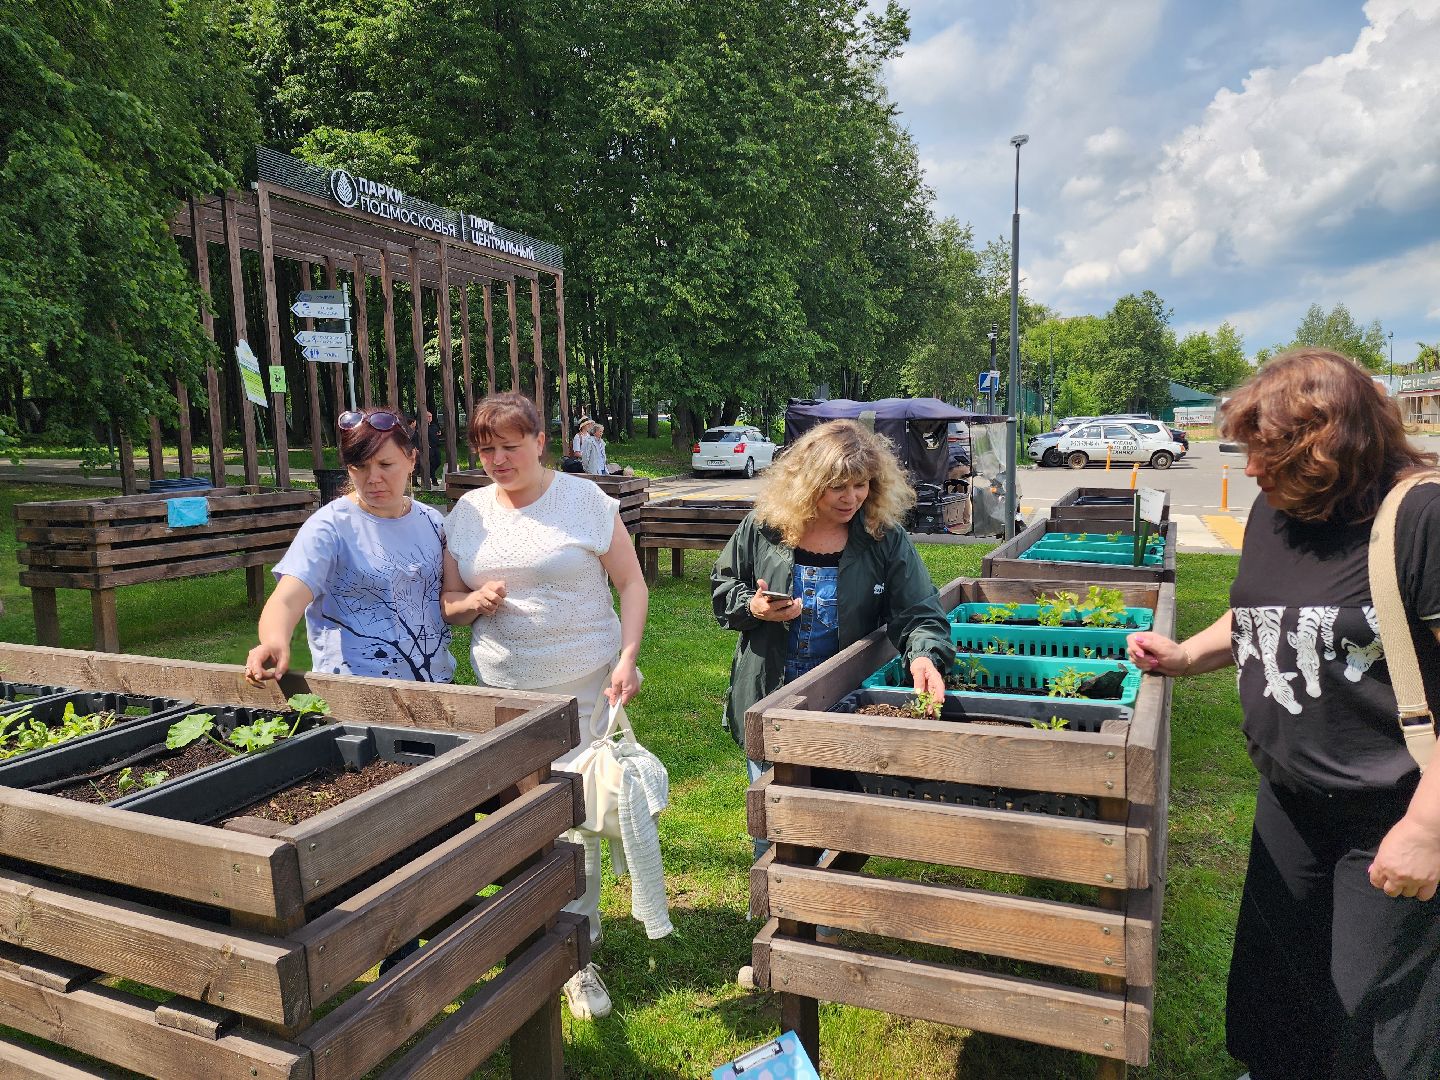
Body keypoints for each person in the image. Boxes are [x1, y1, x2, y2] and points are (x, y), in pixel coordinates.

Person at [1127, 349, 1440, 1080]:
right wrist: (1182, 656)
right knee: (1278, 985)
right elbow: (1255, 617)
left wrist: (1427, 827)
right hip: (1289, 797)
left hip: (1389, 810)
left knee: (1374, 1017)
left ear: (1327, 447)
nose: (1252, 471)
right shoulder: (1277, 509)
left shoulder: (1419, 515)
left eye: (1267, 455)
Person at [442, 391, 649, 1022]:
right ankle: (535, 927)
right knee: (523, 819)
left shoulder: (585, 502)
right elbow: (448, 600)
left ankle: (577, 954)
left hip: (586, 685)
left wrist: (627, 658)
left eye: (510, 446)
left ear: (540, 442)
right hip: (504, 692)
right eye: (486, 449)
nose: (499, 459)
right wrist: (473, 603)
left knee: (578, 813)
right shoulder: (467, 512)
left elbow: (631, 582)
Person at [245, 406, 454, 686]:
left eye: (385, 464)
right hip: (357, 694)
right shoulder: (330, 527)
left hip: (436, 687)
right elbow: (286, 599)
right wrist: (272, 642)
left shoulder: (433, 522)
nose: (373, 478)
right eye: (360, 466)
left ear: (411, 459)